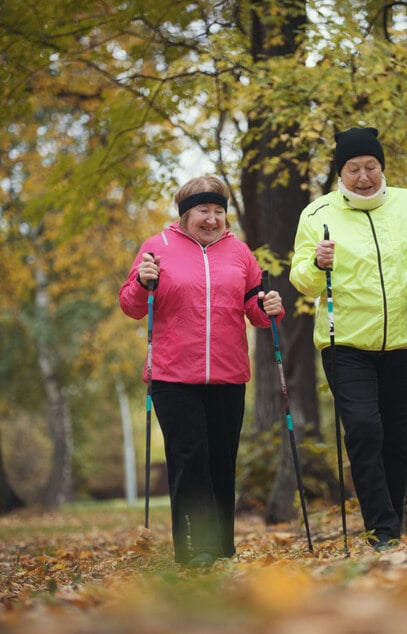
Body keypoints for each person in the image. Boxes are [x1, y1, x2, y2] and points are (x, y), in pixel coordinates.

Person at [289, 127, 407, 551]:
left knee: (397, 439)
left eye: (371, 167)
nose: (363, 177)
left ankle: (389, 526)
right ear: (340, 172)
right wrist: (317, 265)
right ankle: (383, 529)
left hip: (404, 340)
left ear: (382, 167)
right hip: (346, 343)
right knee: (362, 429)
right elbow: (300, 279)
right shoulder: (316, 213)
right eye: (353, 168)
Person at [119, 175, 284, 568]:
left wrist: (271, 307)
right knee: (189, 456)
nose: (211, 219)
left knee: (221, 460)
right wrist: (144, 284)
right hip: (173, 376)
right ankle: (194, 548)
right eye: (203, 211)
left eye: (218, 211)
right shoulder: (156, 249)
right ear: (184, 215)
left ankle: (222, 548)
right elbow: (131, 305)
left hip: (228, 376)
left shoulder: (240, 254)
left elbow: (256, 311)